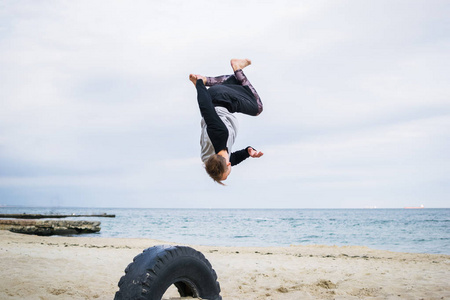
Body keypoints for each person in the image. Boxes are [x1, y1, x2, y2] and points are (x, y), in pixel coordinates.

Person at [189, 58, 264, 185]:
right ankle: (213, 80)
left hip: (220, 98)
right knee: (236, 81)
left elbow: (205, 107)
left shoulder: (220, 134)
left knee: (257, 107)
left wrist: (199, 84)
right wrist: (247, 152)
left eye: (229, 171)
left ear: (227, 164)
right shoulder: (211, 159)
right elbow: (232, 158)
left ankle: (236, 67)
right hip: (220, 99)